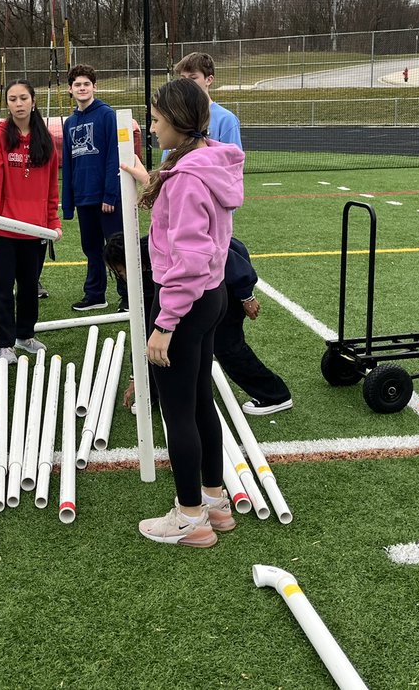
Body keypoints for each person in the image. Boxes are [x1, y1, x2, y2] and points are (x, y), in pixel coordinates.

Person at [119, 77, 245, 549]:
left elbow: (188, 260)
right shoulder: (204, 161)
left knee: (179, 412)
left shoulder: (189, 177)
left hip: (187, 303)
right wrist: (144, 176)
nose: (151, 129)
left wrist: (163, 325)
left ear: (177, 122)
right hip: (210, 298)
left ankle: (190, 515)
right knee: (198, 402)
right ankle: (214, 501)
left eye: (154, 121)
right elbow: (182, 203)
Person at [104, 233, 293, 417]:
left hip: (219, 290)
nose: (122, 277)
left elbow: (227, 255)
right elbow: (146, 327)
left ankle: (275, 395)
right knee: (163, 340)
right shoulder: (141, 277)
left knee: (227, 346)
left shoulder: (164, 247)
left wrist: (246, 295)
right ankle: (152, 392)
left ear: (132, 260)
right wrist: (136, 376)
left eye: (120, 271)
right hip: (193, 300)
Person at [0, 79, 62, 363]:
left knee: (29, 288)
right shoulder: (0, 138)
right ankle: (5, 344)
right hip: (4, 230)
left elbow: (53, 187)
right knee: (1, 288)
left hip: (35, 230)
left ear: (33, 102)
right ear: (7, 104)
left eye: (23, 98)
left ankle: (24, 335)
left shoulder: (47, 141)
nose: (18, 104)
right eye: (13, 99)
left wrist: (53, 223)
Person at [61, 64, 125, 312]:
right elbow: (67, 163)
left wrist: (110, 193)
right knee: (91, 248)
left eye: (87, 83)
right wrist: (68, 204)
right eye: (77, 84)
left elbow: (114, 156)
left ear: (94, 87)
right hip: (83, 197)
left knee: (117, 248)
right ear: (70, 89)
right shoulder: (69, 123)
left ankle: (128, 296)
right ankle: (96, 294)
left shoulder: (107, 115)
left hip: (107, 199)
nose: (82, 88)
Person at [169, 51, 242, 150]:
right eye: (183, 78)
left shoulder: (226, 119)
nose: (186, 83)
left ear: (209, 80)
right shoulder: (176, 116)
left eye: (193, 78)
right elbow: (167, 160)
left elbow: (233, 161)